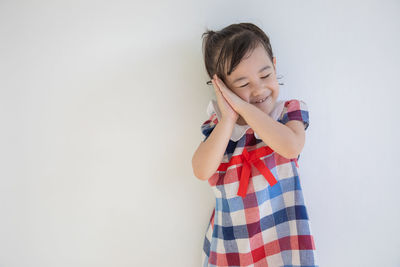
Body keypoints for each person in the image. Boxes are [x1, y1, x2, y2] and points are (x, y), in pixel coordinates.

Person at [191, 22, 318, 267]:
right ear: (222, 88)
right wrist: (229, 116)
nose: (259, 88)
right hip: (232, 246)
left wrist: (245, 108)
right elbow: (201, 170)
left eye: (265, 75)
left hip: (284, 241)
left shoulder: (286, 114)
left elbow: (291, 147)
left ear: (274, 65)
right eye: (243, 84)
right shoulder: (221, 129)